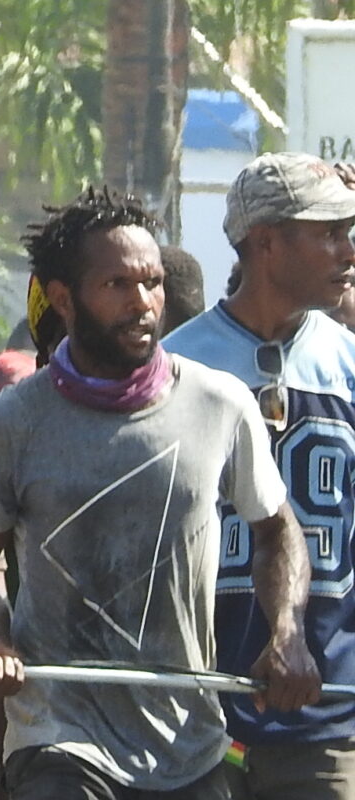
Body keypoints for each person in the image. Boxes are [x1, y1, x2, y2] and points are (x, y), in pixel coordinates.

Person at [0, 185, 317, 800]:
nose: (143, 303)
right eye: (117, 285)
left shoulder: (218, 403)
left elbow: (277, 530)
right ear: (64, 299)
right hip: (58, 739)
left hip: (189, 743)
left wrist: (287, 632)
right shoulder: (10, 423)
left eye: (150, 283)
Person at [161, 156, 355, 799]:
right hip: (195, 719)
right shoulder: (176, 366)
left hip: (329, 718)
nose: (347, 250)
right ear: (267, 242)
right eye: (329, 232)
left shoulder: (349, 364)